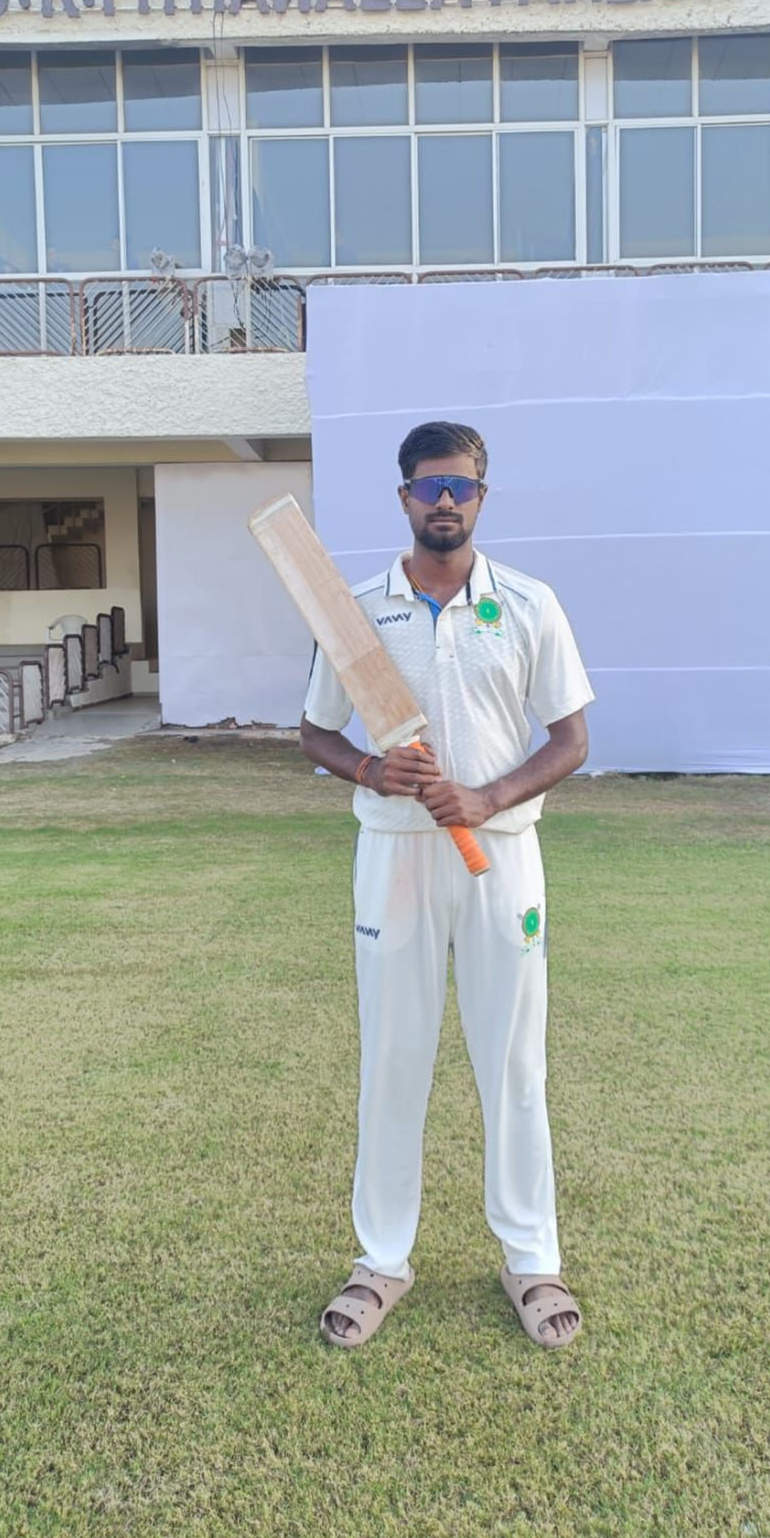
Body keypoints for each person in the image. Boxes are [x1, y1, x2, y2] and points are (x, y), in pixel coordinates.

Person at [300, 420, 594, 1351]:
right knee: (394, 1056)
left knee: (512, 1062)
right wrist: (368, 771)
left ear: (480, 496)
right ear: (403, 498)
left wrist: (483, 795)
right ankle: (381, 1261)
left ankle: (531, 1258)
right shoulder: (356, 611)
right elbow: (315, 732)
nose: (443, 502)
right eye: (427, 486)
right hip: (394, 855)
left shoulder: (532, 604)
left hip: (499, 855)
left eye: (459, 487)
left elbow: (572, 739)